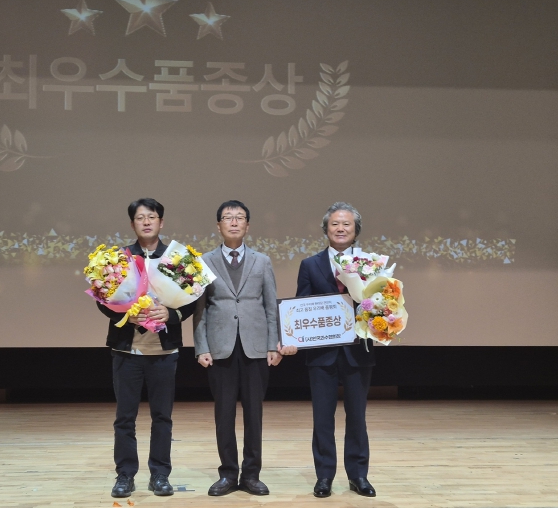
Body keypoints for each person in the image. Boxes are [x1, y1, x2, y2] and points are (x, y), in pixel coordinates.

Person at [96, 198, 196, 498]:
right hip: (127, 351)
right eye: (140, 218)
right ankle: (125, 475)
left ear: (161, 222)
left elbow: (192, 301)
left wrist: (171, 314)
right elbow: (103, 300)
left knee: (162, 417)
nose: (147, 222)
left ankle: (160, 475)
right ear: (133, 224)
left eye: (152, 217)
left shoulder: (177, 259)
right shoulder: (119, 259)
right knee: (125, 418)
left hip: (164, 352)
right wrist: (125, 314)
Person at [193, 199, 290, 496]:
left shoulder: (262, 261)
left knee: (253, 415)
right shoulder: (204, 261)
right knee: (223, 414)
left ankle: (251, 475)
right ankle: (227, 474)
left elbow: (270, 305)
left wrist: (274, 344)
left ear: (247, 225)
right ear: (218, 225)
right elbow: (200, 309)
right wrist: (201, 346)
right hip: (220, 347)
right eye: (228, 217)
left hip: (255, 347)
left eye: (239, 217)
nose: (234, 222)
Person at [296, 202, 377, 498]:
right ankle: (324, 476)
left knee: (357, 417)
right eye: (335, 224)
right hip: (322, 354)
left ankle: (358, 476)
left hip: (358, 351)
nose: (340, 228)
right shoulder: (310, 265)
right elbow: (301, 306)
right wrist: (294, 336)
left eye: (346, 224)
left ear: (356, 230)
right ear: (325, 229)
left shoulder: (371, 264)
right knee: (322, 418)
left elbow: (380, 304)